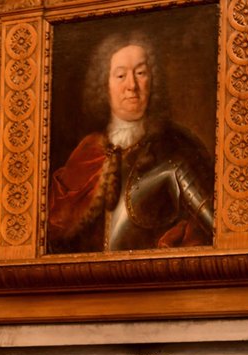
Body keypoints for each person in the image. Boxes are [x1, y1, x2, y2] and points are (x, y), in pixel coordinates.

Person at [47, 32, 214, 253]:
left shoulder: (180, 147)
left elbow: (215, 230)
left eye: (141, 73)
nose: (132, 85)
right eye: (120, 75)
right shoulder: (86, 153)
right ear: (103, 84)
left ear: (153, 80)